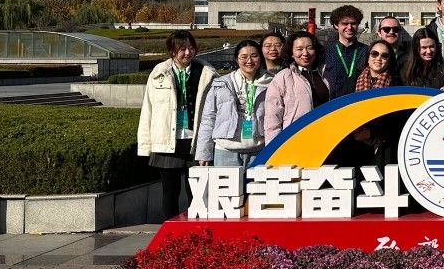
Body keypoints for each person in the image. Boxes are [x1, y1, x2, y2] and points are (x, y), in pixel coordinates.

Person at [138, 30, 217, 219]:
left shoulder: (206, 74)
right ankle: (170, 231)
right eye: (182, 49)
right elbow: (147, 110)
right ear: (172, 51)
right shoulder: (159, 74)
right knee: (169, 193)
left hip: (195, 141)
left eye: (191, 48)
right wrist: (145, 145)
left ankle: (196, 230)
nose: (188, 53)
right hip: (168, 141)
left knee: (197, 194)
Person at [194, 39, 272, 168]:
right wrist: (204, 153)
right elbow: (208, 118)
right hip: (226, 150)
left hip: (259, 149)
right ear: (236, 59)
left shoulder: (271, 83)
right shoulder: (221, 84)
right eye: (244, 57)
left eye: (254, 56)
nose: (249, 61)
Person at [264, 31, 333, 142]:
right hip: (294, 140)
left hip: (324, 137)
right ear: (291, 52)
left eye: (310, 48)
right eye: (299, 49)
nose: (305, 53)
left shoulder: (326, 75)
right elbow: (272, 118)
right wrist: (274, 146)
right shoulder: (283, 78)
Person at [323, 5, 368, 96]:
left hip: (358, 101)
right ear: (336, 25)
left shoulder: (366, 51)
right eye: (345, 24)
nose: (349, 27)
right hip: (332, 102)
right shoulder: (326, 50)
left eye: (353, 23)